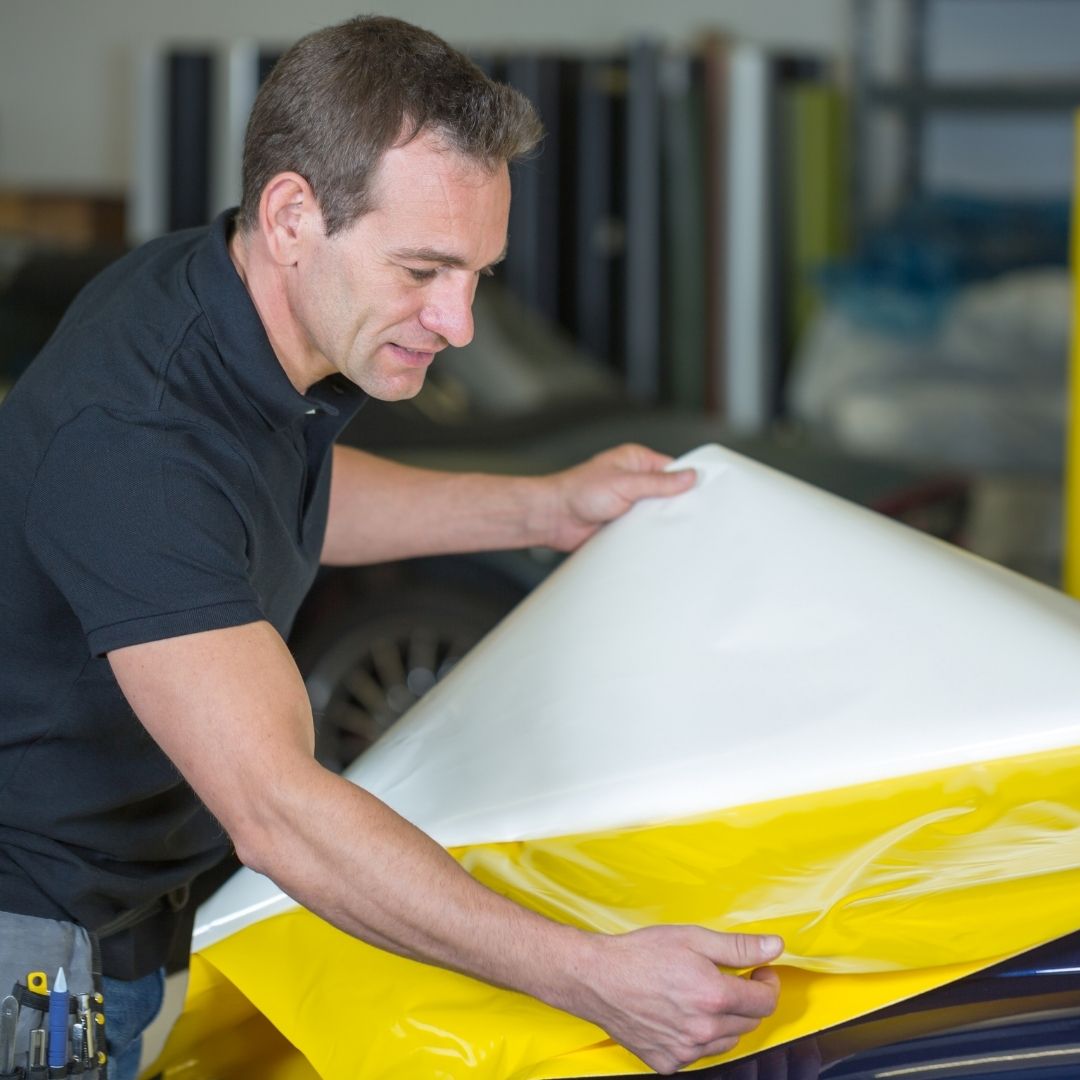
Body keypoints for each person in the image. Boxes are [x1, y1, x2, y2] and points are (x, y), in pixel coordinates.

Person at [0, 15, 783, 1077]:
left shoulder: (238, 311)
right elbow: (280, 812)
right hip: (38, 947)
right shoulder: (140, 434)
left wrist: (541, 509)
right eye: (423, 269)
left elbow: (271, 504)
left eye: (477, 273)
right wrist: (589, 973)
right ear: (291, 216)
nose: (457, 322)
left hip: (140, 913)